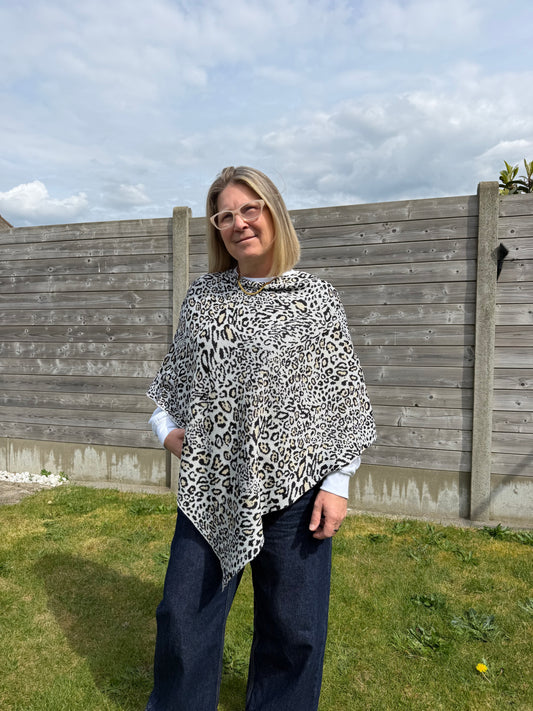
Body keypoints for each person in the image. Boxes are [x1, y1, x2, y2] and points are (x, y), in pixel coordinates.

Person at [145, 166, 376, 711]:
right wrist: (166, 431)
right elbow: (175, 382)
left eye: (250, 209)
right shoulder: (204, 298)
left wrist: (337, 483)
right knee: (182, 618)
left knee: (294, 633)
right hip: (211, 487)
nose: (238, 223)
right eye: (225, 216)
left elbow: (342, 397)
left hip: (298, 490)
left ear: (274, 212)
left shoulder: (316, 299)